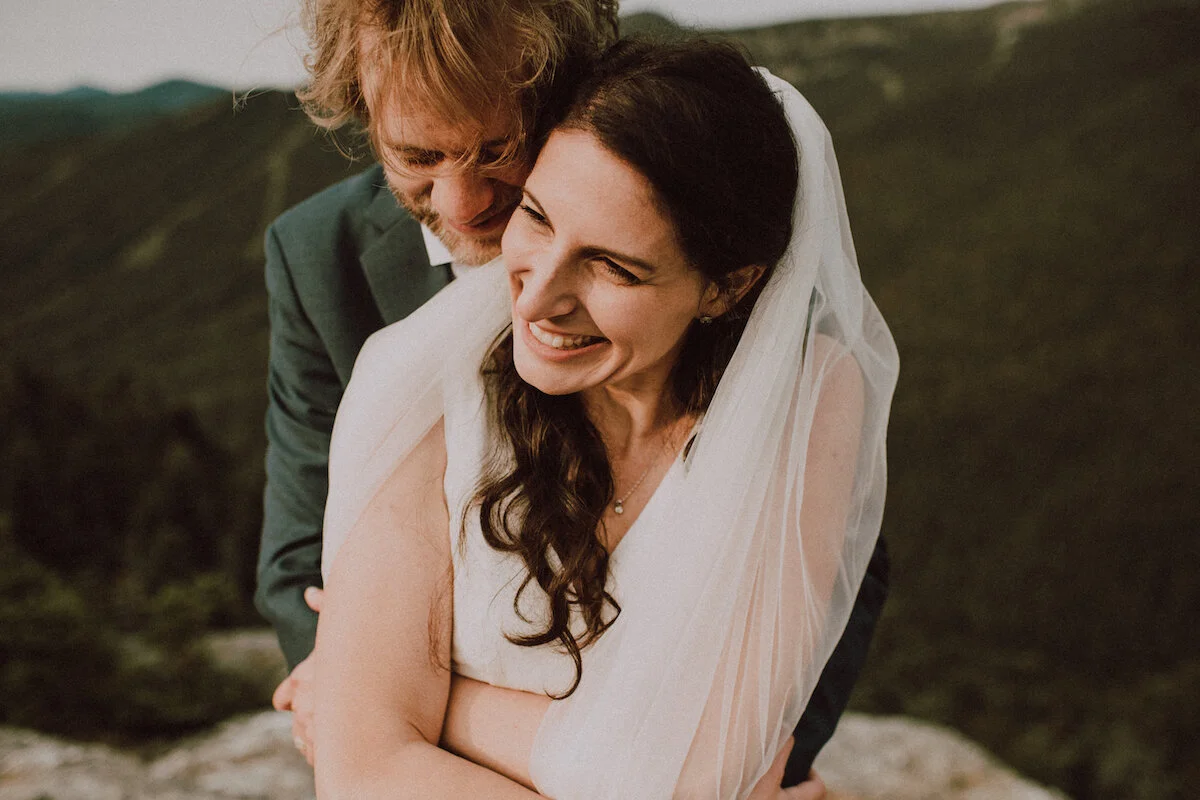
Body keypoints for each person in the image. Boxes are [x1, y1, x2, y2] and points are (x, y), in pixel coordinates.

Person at [255, 0, 888, 789]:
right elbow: (298, 551)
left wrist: (764, 759)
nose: (462, 204)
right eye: (416, 155)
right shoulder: (357, 304)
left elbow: (838, 572)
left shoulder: (783, 362)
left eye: (498, 153)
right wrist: (346, 687)